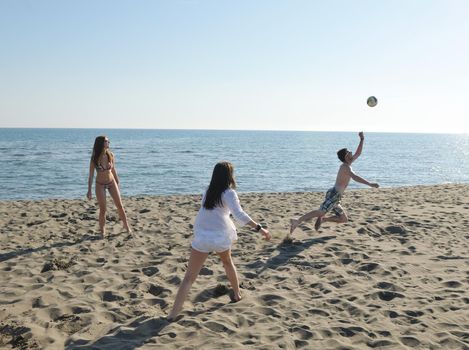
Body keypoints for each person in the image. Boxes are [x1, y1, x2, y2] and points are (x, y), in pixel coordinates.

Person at [167, 161, 271, 321]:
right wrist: (260, 228)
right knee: (228, 263)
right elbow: (239, 215)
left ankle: (173, 314)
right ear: (229, 176)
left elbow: (206, 212)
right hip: (220, 236)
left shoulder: (209, 190)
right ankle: (236, 294)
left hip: (203, 236)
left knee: (188, 278)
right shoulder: (229, 193)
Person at [290, 132, 379, 234]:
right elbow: (355, 177)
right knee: (320, 211)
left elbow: (358, 153)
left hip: (336, 197)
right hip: (334, 194)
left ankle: (324, 219)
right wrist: (370, 184)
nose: (351, 152)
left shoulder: (349, 163)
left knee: (343, 219)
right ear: (346, 156)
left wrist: (362, 140)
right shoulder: (345, 167)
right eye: (349, 152)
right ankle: (298, 220)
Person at [87, 136, 131, 237]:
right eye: (107, 141)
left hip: (111, 182)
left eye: (108, 141)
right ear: (101, 143)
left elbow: (113, 169)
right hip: (100, 184)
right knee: (103, 209)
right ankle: (102, 231)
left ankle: (127, 227)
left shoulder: (110, 155)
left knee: (120, 205)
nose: (109, 142)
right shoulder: (94, 158)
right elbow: (91, 175)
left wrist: (117, 181)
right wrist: (89, 190)